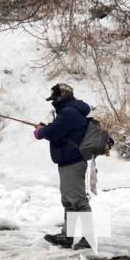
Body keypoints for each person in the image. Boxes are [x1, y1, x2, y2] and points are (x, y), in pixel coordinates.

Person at [34, 83, 91, 249]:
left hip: (73, 162)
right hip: (69, 161)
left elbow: (53, 132)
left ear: (62, 96)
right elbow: (59, 130)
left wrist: (40, 132)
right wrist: (46, 129)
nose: (53, 102)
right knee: (69, 201)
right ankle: (68, 236)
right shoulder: (70, 111)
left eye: (55, 98)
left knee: (79, 201)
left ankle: (88, 237)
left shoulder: (69, 112)